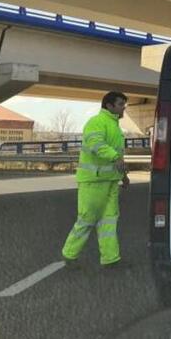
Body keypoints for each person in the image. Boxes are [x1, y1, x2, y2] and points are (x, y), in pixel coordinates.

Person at [61, 91, 130, 268]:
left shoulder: (114, 126)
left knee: (109, 220)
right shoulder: (96, 122)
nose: (124, 108)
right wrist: (115, 157)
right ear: (109, 105)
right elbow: (96, 145)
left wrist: (124, 176)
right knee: (87, 219)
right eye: (121, 104)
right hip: (93, 180)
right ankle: (69, 255)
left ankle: (110, 259)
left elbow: (118, 156)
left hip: (110, 180)